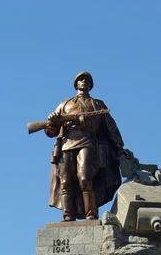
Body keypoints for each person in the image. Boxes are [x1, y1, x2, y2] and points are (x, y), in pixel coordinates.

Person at [46, 71, 132, 221]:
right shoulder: (64, 104)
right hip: (66, 145)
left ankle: (91, 214)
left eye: (87, 79)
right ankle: (68, 215)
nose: (84, 81)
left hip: (87, 143)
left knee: (85, 178)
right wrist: (52, 121)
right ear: (76, 84)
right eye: (80, 79)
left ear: (91, 85)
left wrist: (120, 147)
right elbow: (51, 131)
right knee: (65, 181)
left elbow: (110, 128)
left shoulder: (97, 104)